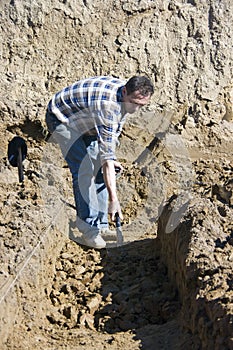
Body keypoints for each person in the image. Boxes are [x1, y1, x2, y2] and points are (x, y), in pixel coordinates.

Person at [46, 75, 154, 248]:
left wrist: (110, 159)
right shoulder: (108, 106)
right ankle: (89, 230)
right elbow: (106, 154)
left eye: (142, 105)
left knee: (100, 169)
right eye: (134, 103)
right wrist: (114, 199)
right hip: (62, 118)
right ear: (125, 91)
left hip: (87, 122)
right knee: (85, 170)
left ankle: (102, 225)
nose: (136, 109)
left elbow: (110, 138)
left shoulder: (124, 98)